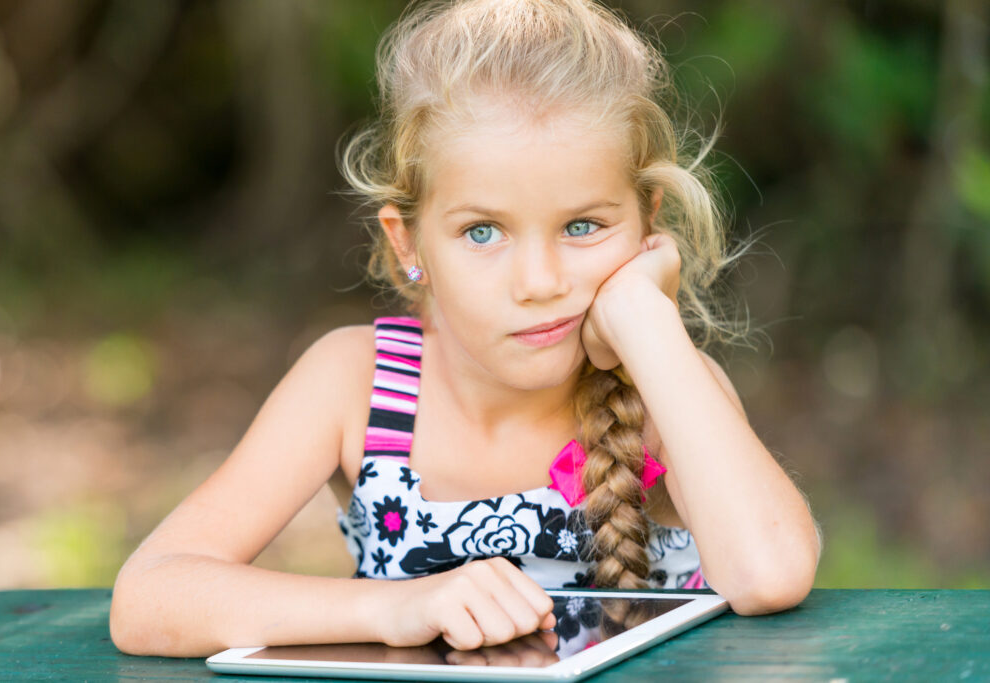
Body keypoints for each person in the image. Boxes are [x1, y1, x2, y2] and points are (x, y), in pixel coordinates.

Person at [110, 0, 821, 658]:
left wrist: (644, 318)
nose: (539, 281)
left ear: (646, 221)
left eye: (584, 225)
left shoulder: (669, 388)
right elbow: (149, 596)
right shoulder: (356, 384)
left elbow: (771, 572)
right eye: (483, 231)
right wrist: (394, 607)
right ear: (408, 243)